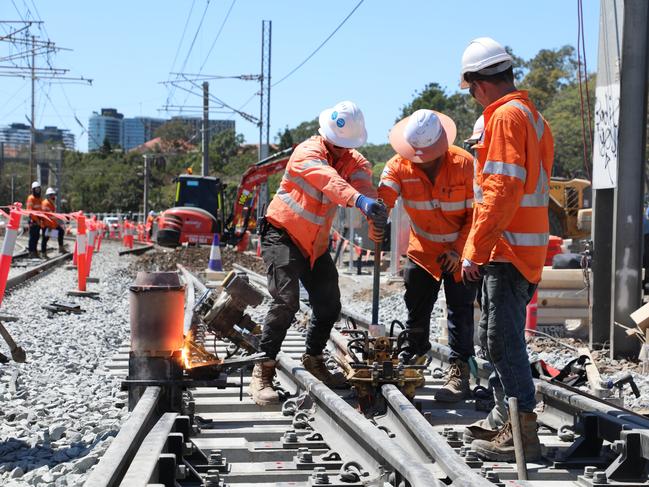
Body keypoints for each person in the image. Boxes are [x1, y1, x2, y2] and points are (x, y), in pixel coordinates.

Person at [249, 101, 388, 405]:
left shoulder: (355, 160)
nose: (341, 151)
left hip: (315, 245)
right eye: (336, 145)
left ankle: (313, 359)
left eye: (345, 147)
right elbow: (330, 181)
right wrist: (360, 201)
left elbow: (364, 184)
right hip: (282, 234)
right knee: (286, 301)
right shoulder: (307, 153)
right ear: (326, 136)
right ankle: (263, 369)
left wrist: (374, 213)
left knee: (329, 305)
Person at [459, 37, 554, 461]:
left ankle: (522, 435)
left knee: (501, 340)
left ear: (479, 85)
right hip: (519, 247)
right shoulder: (532, 117)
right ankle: (504, 420)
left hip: (507, 247)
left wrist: (475, 250)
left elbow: (501, 190)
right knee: (491, 336)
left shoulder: (504, 117)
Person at [379, 109, 476, 402]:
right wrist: (376, 210)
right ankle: (414, 356)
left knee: (460, 310)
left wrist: (458, 250)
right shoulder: (398, 166)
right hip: (423, 251)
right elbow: (384, 195)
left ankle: (459, 370)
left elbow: (477, 214)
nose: (419, 159)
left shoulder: (465, 164)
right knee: (416, 308)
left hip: (459, 251)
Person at [41, 187, 66, 256]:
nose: (53, 196)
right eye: (52, 195)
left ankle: (61, 248)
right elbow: (47, 216)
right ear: (48, 195)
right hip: (47, 225)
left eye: (53, 195)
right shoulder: (45, 204)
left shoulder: (51, 203)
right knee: (45, 238)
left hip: (52, 225)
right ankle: (43, 253)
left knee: (60, 231)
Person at [26, 181, 43, 258]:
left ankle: (35, 251)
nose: (37, 191)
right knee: (32, 237)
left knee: (36, 237)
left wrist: (41, 220)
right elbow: (30, 212)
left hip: (38, 220)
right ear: (33, 190)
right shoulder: (31, 198)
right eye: (36, 189)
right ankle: (31, 252)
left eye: (38, 189)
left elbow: (41, 210)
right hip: (33, 220)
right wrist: (37, 220)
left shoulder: (40, 199)